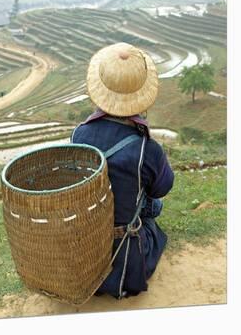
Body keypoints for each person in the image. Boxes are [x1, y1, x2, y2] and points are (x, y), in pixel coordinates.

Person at [71, 42, 174, 299]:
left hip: (87, 242)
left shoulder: (79, 134)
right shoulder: (146, 148)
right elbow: (162, 187)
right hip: (125, 252)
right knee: (154, 205)